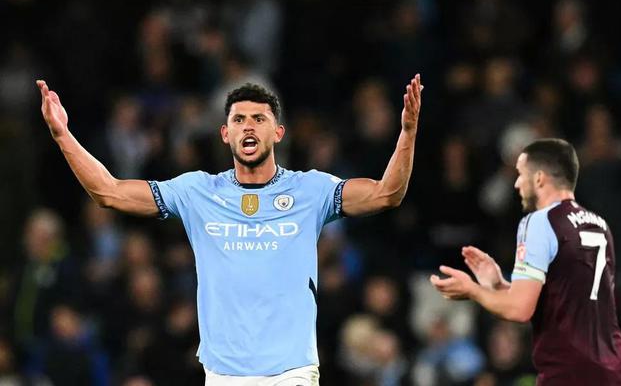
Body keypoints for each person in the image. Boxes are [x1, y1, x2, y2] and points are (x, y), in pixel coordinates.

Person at [36, 74, 423, 385]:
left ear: (278, 133)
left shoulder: (311, 190)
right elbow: (109, 192)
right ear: (225, 134)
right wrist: (62, 135)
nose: (248, 126)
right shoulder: (197, 192)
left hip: (291, 373)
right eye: (239, 120)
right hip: (223, 375)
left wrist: (407, 133)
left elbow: (385, 194)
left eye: (259, 119)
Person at [430, 138, 621, 385]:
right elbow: (565, 304)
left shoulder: (539, 222)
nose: (516, 183)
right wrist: (499, 285)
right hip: (619, 373)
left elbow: (519, 309)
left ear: (539, 178)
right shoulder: (599, 224)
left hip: (570, 374)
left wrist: (472, 290)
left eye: (521, 174)